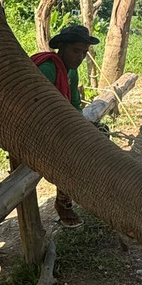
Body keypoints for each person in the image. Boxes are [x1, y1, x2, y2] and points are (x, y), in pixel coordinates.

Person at [30, 24, 99, 228]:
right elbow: (37, 108)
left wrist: (82, 128)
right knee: (71, 155)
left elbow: (75, 106)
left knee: (99, 136)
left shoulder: (72, 73)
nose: (80, 57)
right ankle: (63, 203)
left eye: (84, 53)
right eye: (75, 51)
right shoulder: (48, 69)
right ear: (61, 47)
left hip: (62, 124)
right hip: (39, 128)